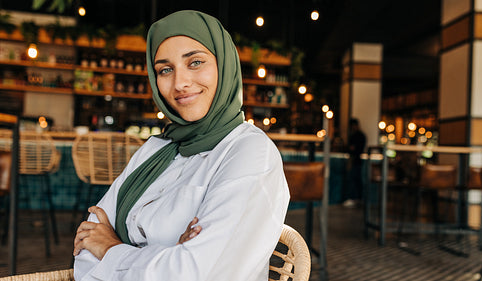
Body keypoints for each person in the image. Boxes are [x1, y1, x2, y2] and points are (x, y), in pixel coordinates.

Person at [73, 10, 290, 280]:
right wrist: (169, 253)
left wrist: (112, 248)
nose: (180, 83)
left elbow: (195, 273)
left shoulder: (251, 153)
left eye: (196, 62)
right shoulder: (155, 149)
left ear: (224, 64)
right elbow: (84, 251)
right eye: (165, 70)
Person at [343, 118, 366, 208]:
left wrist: (349, 148)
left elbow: (352, 148)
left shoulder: (358, 136)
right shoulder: (359, 135)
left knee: (354, 180)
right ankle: (358, 199)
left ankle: (354, 199)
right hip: (356, 160)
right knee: (356, 180)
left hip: (355, 160)